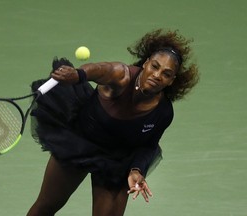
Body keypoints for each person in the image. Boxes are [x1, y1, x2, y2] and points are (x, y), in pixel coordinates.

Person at [27, 28, 199, 216]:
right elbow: (100, 70)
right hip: (81, 141)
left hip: (115, 159)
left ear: (172, 80)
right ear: (146, 63)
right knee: (45, 207)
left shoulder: (163, 112)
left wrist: (136, 170)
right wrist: (78, 75)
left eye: (166, 74)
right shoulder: (122, 76)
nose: (157, 75)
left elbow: (148, 146)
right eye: (155, 66)